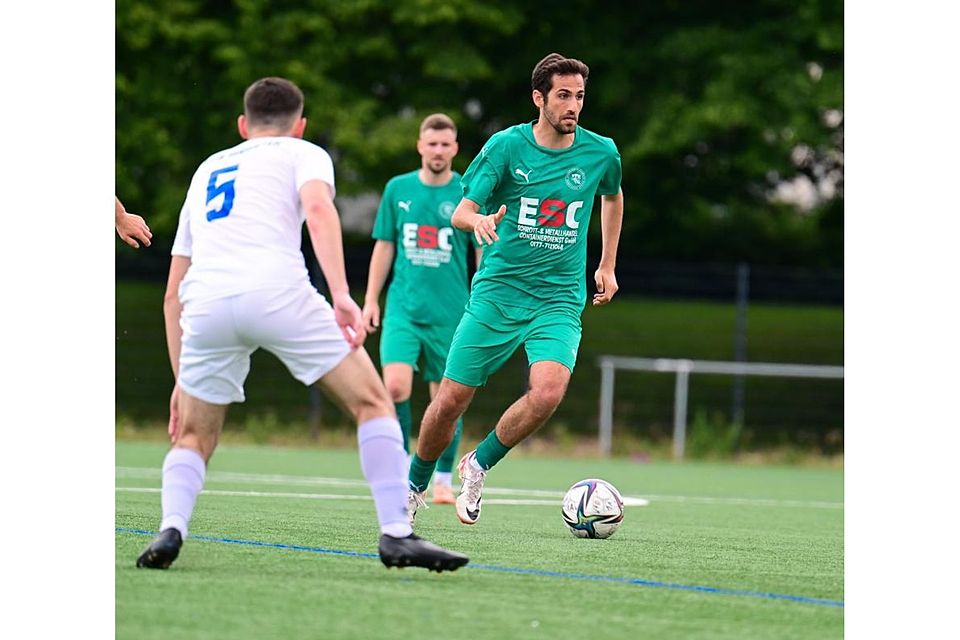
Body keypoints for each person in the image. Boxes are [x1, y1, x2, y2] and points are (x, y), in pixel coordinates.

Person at [135, 77, 468, 572]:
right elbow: (317, 208)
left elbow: (170, 294)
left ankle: (171, 527)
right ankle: (397, 533)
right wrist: (340, 295)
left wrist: (181, 377)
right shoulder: (303, 152)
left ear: (243, 125)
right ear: (300, 125)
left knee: (193, 436)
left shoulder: (208, 168)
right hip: (277, 293)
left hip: (204, 304)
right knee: (373, 401)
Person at [406, 53, 624, 526]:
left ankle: (478, 464)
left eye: (579, 96)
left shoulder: (601, 152)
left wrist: (606, 264)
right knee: (448, 402)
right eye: (563, 95)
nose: (573, 106)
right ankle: (414, 485)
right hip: (497, 294)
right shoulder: (506, 147)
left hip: (558, 299)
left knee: (547, 392)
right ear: (539, 98)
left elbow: (612, 194)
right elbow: (461, 211)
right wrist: (479, 219)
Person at [361, 114, 481, 511]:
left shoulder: (467, 189)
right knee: (394, 388)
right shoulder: (398, 189)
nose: (438, 151)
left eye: (445, 144)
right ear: (420, 146)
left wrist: (482, 298)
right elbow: (384, 246)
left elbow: (482, 248)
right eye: (432, 144)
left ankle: (443, 480)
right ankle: (401, 472)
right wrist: (370, 300)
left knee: (446, 401)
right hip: (403, 311)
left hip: (452, 314)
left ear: (455, 148)